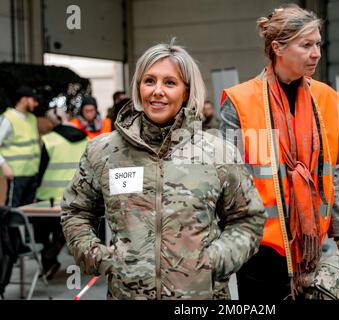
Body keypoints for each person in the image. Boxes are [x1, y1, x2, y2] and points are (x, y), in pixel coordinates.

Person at [60, 40, 267, 300]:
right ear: (139, 88)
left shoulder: (218, 153)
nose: (157, 91)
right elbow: (76, 211)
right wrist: (96, 256)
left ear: (186, 91)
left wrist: (214, 261)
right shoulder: (104, 152)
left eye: (170, 83)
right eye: (149, 81)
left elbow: (247, 218)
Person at [220, 4, 339, 301]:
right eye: (306, 45)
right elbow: (225, 183)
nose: (316, 53)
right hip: (257, 249)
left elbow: (327, 175)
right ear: (277, 47)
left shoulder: (325, 98)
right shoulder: (240, 102)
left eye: (318, 44)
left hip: (310, 246)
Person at [33, 106, 88, 279]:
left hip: (48, 198)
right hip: (76, 197)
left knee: (40, 231)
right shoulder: (85, 139)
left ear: (51, 122)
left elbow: (40, 171)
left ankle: (48, 259)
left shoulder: (50, 140)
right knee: (66, 227)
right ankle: (57, 246)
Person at [0, 86, 40, 207]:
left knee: (28, 211)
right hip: (15, 174)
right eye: (33, 100)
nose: (36, 103)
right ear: (23, 100)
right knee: (12, 212)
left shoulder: (32, 118)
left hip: (31, 174)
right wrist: (4, 166)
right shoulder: (7, 119)